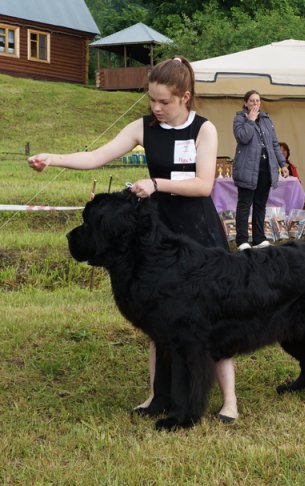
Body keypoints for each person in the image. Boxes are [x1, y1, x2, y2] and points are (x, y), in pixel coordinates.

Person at [27, 55, 240, 422]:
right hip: (159, 234)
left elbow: (205, 185)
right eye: (151, 100)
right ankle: (157, 396)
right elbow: (96, 156)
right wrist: (54, 158)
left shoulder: (204, 130)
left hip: (198, 231)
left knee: (209, 319)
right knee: (157, 318)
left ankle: (229, 401)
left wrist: (156, 183)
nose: (156, 108)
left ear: (185, 97)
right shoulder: (142, 127)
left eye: (164, 101)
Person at [233, 90, 289, 250]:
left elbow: (274, 144)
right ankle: (242, 240)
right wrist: (250, 121)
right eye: (252, 101)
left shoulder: (266, 119)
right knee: (244, 204)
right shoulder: (239, 118)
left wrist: (283, 164)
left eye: (257, 101)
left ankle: (259, 238)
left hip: (265, 168)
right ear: (245, 103)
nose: (255, 104)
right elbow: (242, 137)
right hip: (248, 168)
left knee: (260, 204)